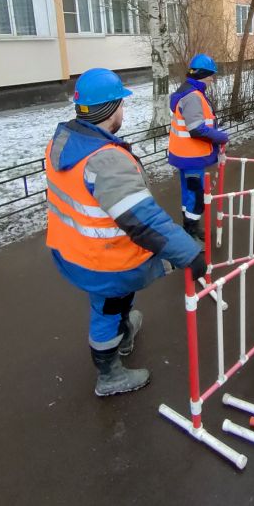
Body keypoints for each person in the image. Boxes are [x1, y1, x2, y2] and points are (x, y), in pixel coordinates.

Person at [46, 68, 207, 397]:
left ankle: (123, 329)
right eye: (121, 104)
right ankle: (109, 375)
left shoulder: (66, 143)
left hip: (72, 250)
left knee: (112, 304)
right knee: (106, 308)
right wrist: (190, 253)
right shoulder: (105, 161)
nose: (123, 110)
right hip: (104, 263)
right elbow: (144, 221)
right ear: (111, 109)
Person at [168, 54, 229, 239]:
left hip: (184, 155)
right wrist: (221, 137)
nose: (212, 79)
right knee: (196, 197)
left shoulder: (187, 91)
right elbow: (196, 129)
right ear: (203, 74)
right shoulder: (193, 96)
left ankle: (188, 228)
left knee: (189, 194)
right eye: (211, 75)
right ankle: (192, 233)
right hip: (192, 157)